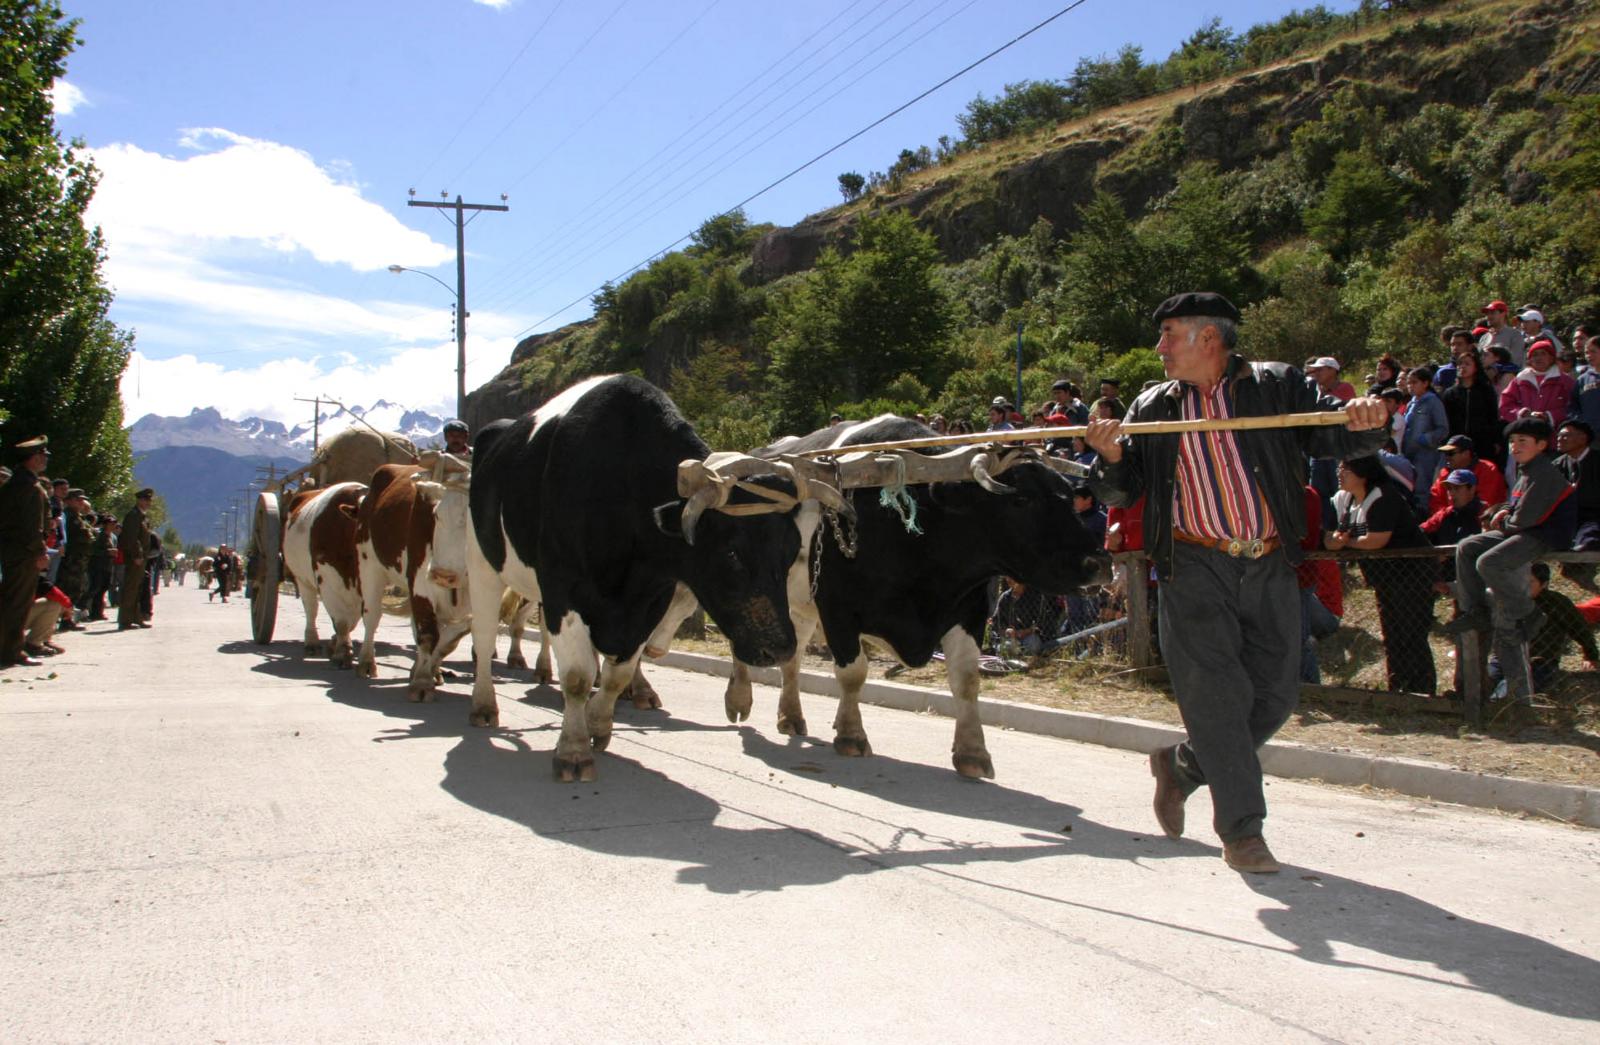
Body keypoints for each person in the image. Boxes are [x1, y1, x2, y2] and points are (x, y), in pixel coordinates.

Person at [1086, 291, 1387, 874]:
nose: (1159, 346)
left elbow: (1332, 435)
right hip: (1193, 565)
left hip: (1270, 561)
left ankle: (1183, 765)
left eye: (1169, 333)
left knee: (1275, 695)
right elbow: (1121, 491)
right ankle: (1243, 831)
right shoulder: (1152, 406)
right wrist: (1112, 459)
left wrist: (1366, 423)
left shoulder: (1277, 386)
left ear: (1209, 338)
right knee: (1218, 699)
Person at [1445, 417, 1577, 705]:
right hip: (1524, 530)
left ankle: (1528, 613)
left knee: (1488, 562)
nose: (1515, 447)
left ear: (1541, 445)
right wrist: (1503, 512)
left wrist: (1503, 518)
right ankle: (1476, 609)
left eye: (1523, 441)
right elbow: (1515, 507)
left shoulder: (1544, 473)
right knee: (1467, 547)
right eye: (1512, 442)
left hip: (1545, 534)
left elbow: (1525, 519)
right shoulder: (1525, 470)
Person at [1325, 455, 1437, 695]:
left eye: (1346, 469)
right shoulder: (1343, 499)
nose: (1339, 473)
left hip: (1411, 575)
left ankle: (1423, 693)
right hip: (1384, 579)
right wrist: (1334, 541)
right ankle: (1398, 689)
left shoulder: (1383, 496)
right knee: (1392, 635)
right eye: (1339, 468)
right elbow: (1329, 536)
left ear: (1363, 472)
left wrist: (1346, 542)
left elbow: (1376, 540)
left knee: (1412, 634)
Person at [0, 437, 52, 668]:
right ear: (33, 458)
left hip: (14, 551)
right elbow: (32, 526)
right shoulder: (29, 487)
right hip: (24, 553)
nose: (45, 459)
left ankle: (10, 648)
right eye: (42, 455)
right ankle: (11, 652)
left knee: (12, 601)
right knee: (18, 604)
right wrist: (40, 551)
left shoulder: (16, 483)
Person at [1440, 347, 1503, 466]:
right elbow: (1446, 420)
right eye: (1460, 364)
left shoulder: (1486, 391)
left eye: (1467, 364)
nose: (1462, 367)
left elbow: (1493, 417)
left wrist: (1495, 440)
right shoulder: (1450, 393)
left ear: (1476, 367)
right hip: (1456, 445)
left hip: (1482, 444)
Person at [1399, 366, 1447, 516]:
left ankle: (1424, 518)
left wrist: (1426, 438)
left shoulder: (1433, 402)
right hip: (1409, 452)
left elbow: (1443, 429)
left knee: (1422, 488)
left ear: (1425, 383)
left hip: (1426, 453)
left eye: (1414, 382)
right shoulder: (1411, 403)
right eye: (1408, 382)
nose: (1410, 386)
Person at [1500, 338, 1574, 427]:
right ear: (1529, 360)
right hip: (1526, 429)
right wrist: (1522, 413)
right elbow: (1506, 405)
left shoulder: (1565, 381)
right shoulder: (1520, 380)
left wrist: (1549, 416)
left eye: (1543, 354)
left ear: (1551, 358)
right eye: (1535, 355)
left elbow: (1572, 407)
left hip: (1555, 431)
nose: (1539, 358)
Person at [1425, 435, 1507, 515]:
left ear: (1466, 454)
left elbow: (1486, 503)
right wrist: (1447, 517)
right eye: (1446, 454)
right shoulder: (1444, 473)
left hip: (1484, 520)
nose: (1447, 457)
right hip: (1450, 519)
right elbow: (1436, 502)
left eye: (1451, 453)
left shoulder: (1488, 469)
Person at [987, 577, 1062, 657]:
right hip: (1010, 638)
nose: (1008, 580)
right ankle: (1015, 655)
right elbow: (996, 623)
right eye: (1007, 577)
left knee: (1033, 644)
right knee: (1005, 647)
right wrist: (1006, 631)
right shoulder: (1005, 597)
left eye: (1012, 577)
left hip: (1029, 637)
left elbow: (1040, 625)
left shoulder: (1035, 597)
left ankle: (1024, 656)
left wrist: (1023, 632)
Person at [1555, 419, 1600, 550]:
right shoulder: (1557, 465)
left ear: (1582, 438)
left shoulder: (1597, 461)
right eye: (1558, 436)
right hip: (1567, 518)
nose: (1559, 439)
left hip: (1595, 518)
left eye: (1565, 435)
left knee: (1589, 537)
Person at [118, 488, 154, 630]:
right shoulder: (133, 516)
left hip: (141, 557)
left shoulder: (142, 516)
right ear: (139, 500)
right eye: (146, 500)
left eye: (149, 500)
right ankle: (125, 620)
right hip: (135, 558)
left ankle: (135, 617)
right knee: (131, 588)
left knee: (137, 588)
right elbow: (132, 538)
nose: (148, 503)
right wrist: (137, 555)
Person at [1478, 300, 1526, 366]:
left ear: (1503, 313)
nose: (1488, 316)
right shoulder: (1484, 337)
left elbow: (1515, 361)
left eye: (1492, 313)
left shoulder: (1514, 335)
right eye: (1487, 314)